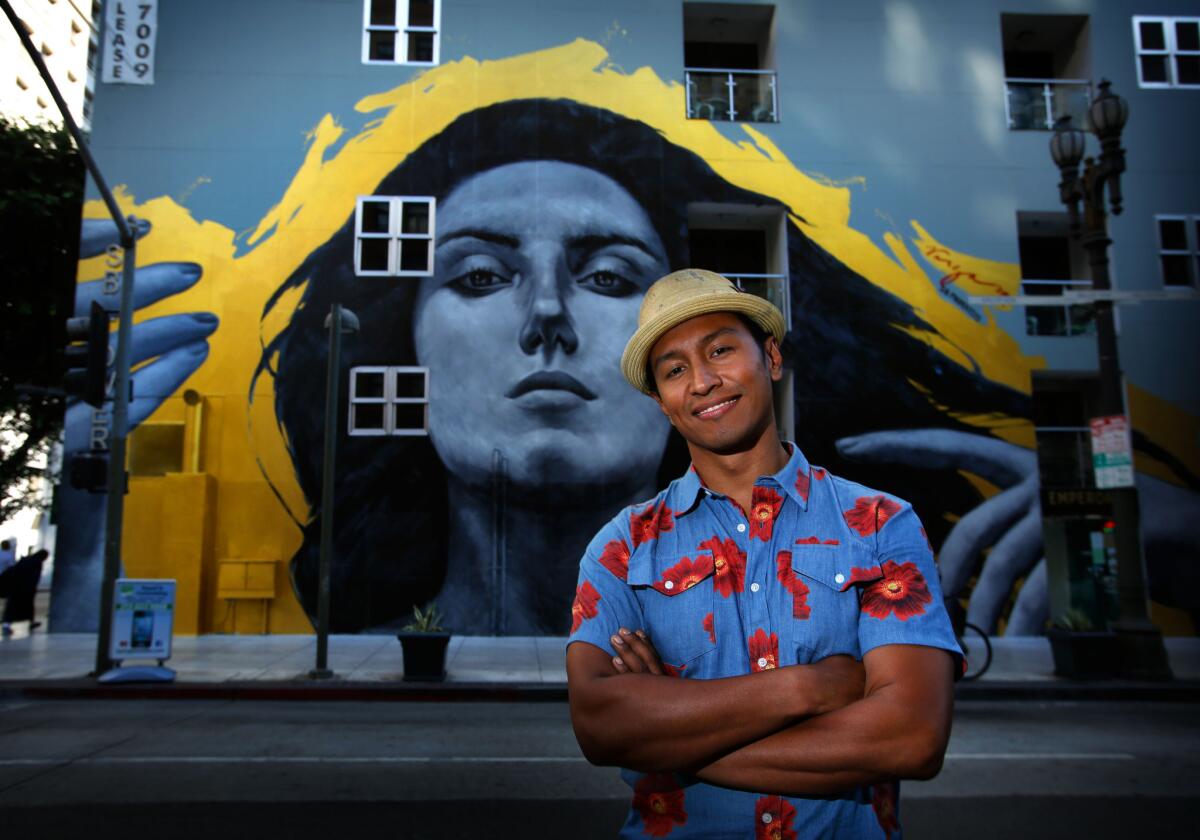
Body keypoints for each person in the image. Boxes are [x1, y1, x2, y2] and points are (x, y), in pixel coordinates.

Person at [260, 98, 1027, 635]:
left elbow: (909, 732)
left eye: (609, 279)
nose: (548, 317)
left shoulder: (866, 540)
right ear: (408, 344)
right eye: (481, 277)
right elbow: (608, 731)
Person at [566, 269, 961, 837]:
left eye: (721, 350)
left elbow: (911, 737)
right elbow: (602, 727)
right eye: (675, 370)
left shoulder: (879, 524)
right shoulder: (622, 548)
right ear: (662, 402)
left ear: (771, 358)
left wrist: (666, 733)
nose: (702, 381)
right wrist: (812, 687)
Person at [1, 549, 48, 635]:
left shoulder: (26, 559)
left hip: (16, 587)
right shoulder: (37, 563)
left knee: (13, 607)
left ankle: (7, 624)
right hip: (25, 589)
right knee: (26, 607)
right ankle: (29, 622)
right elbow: (34, 578)